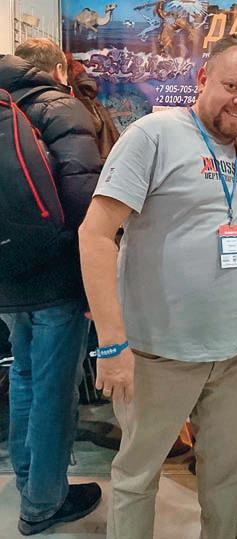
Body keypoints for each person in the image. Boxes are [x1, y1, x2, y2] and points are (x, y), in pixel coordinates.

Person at [79, 35, 237, 539]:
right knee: (138, 477)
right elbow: (95, 235)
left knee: (225, 473)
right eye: (232, 86)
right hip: (157, 354)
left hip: (232, 355)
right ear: (203, 78)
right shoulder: (153, 135)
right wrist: (112, 344)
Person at [0, 38, 102, 535]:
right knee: (55, 392)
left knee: (24, 378)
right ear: (60, 69)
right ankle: (43, 503)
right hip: (58, 276)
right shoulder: (61, 107)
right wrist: (95, 282)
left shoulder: (6, 104)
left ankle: (28, 483)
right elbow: (84, 199)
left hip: (8, 273)